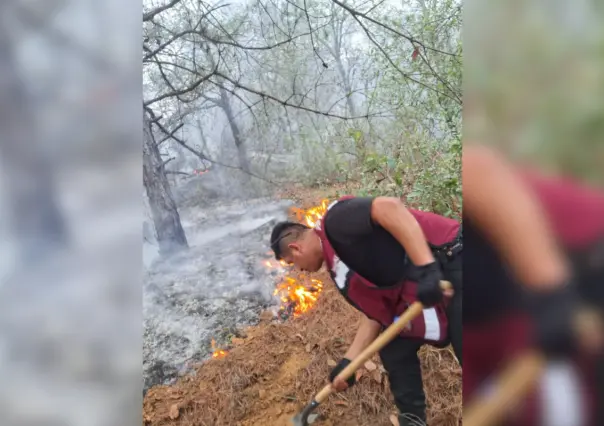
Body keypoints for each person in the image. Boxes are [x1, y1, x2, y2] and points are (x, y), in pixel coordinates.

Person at [270, 196, 462, 425]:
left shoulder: (335, 221)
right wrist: (349, 363)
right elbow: (376, 314)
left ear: (295, 247)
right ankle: (412, 420)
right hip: (433, 280)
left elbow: (389, 207)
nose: (300, 270)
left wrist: (426, 267)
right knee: (394, 348)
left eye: (293, 263)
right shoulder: (338, 263)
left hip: (454, 260)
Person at [463, 145, 604, 426]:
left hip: (586, 260)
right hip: (529, 335)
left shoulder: (350, 215)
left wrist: (550, 291)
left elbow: (473, 166)